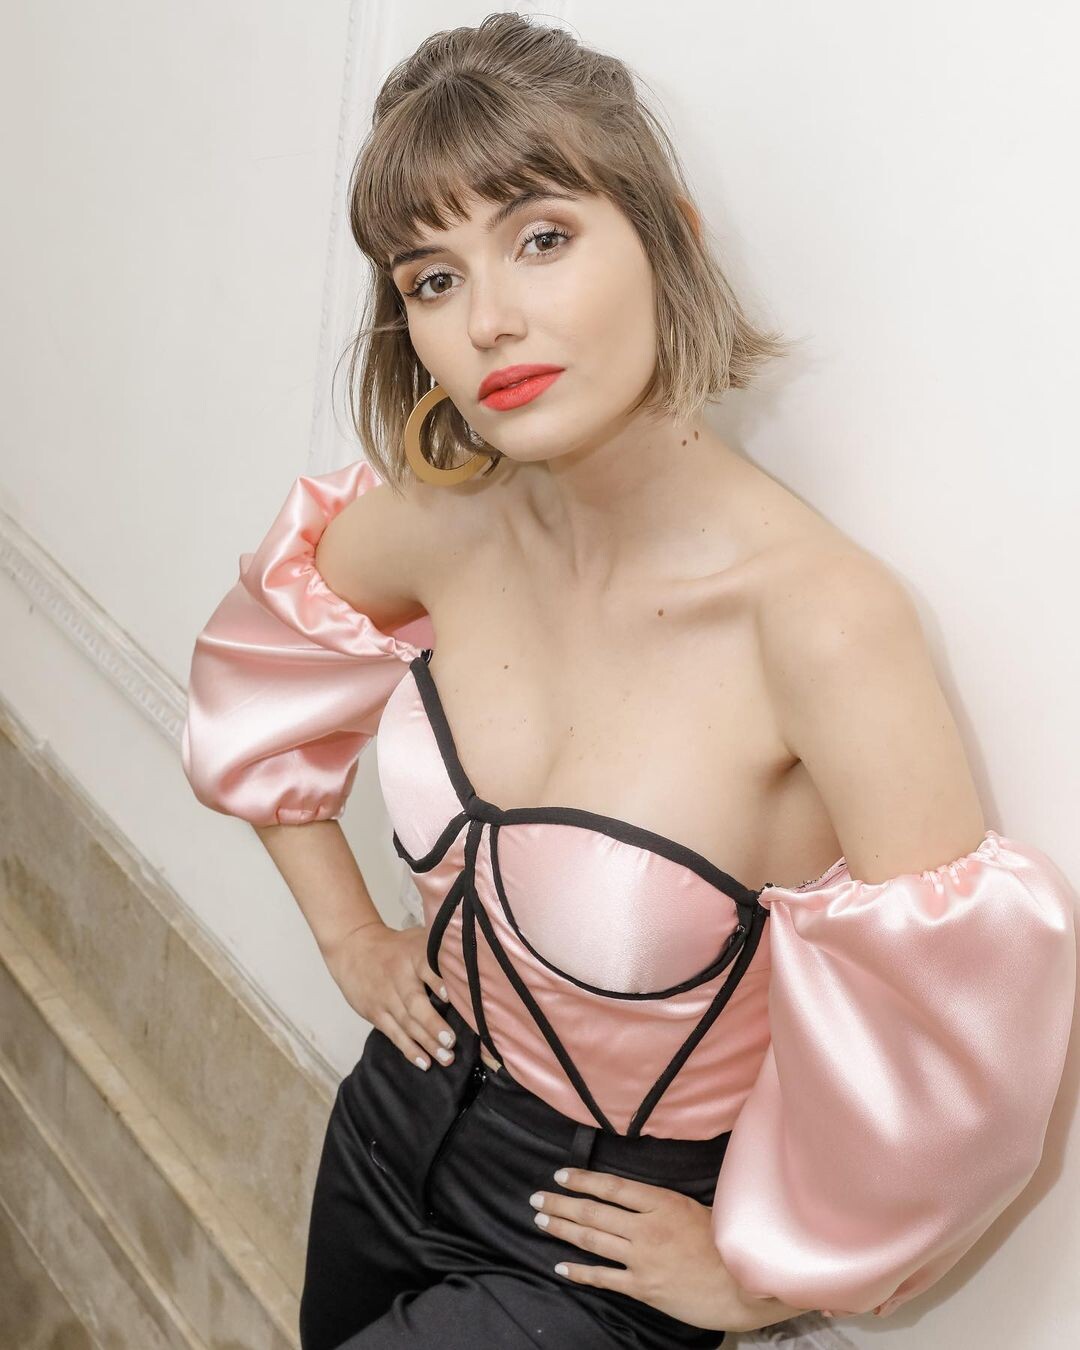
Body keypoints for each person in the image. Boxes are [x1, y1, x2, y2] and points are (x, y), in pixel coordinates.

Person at [180, 13, 1077, 1350]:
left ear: (670, 240)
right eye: (433, 277)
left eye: (542, 237)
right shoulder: (438, 522)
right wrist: (348, 934)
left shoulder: (820, 624)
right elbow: (252, 680)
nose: (490, 320)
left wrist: (769, 1279)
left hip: (594, 1253)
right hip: (384, 1135)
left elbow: (958, 1043)